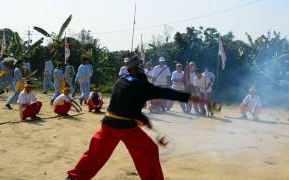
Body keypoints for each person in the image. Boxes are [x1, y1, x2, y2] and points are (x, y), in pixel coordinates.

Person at [66, 55, 201, 180]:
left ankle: (73, 177)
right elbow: (164, 92)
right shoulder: (140, 85)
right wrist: (189, 97)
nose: (143, 70)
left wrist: (150, 126)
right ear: (135, 69)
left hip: (107, 125)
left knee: (95, 155)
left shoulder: (121, 81)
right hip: (125, 128)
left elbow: (132, 110)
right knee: (149, 150)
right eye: (140, 67)